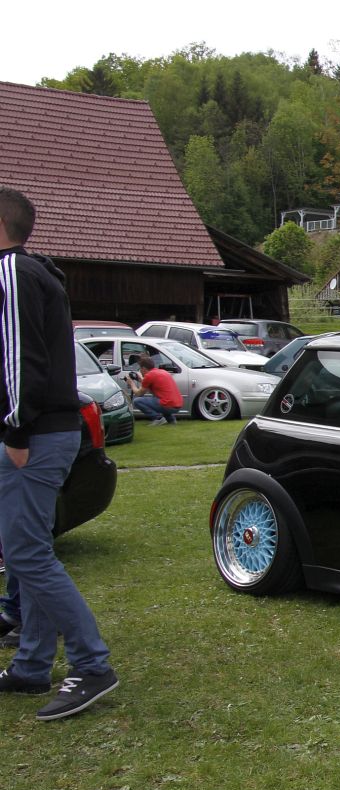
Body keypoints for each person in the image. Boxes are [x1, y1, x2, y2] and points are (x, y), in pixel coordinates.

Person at [0, 186, 117, 720]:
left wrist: (17, 430)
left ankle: (92, 665)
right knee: (30, 549)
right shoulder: (33, 272)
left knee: (26, 553)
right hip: (46, 432)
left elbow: (21, 358)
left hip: (35, 436)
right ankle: (31, 664)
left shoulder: (13, 272)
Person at [126, 356, 183, 425]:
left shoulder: (149, 375)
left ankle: (158, 418)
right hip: (177, 405)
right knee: (158, 399)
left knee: (137, 401)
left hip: (168, 404)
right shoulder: (162, 371)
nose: (140, 371)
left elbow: (139, 394)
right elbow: (152, 388)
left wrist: (131, 383)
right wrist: (141, 380)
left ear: (143, 368)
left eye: (140, 368)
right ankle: (171, 420)